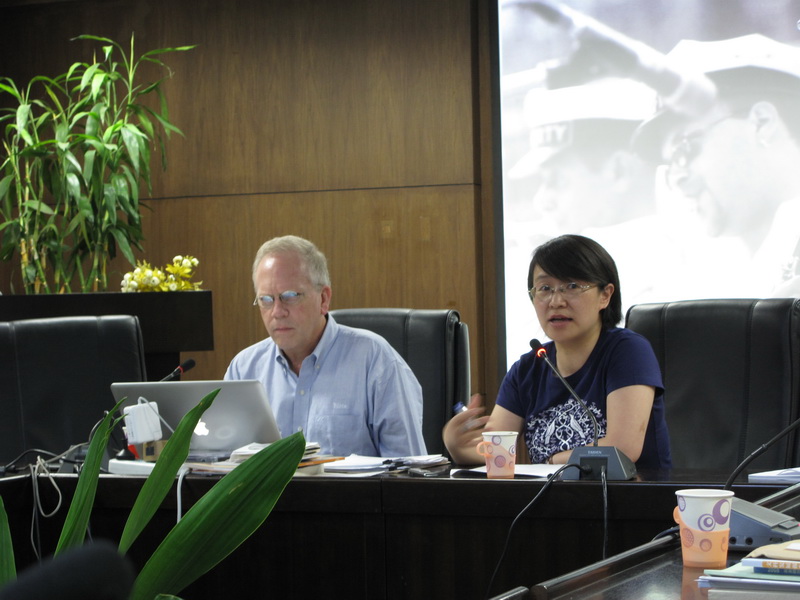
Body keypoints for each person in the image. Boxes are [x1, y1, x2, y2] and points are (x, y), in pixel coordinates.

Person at [444, 234, 671, 469]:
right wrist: (456, 445)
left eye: (572, 286)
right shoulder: (527, 369)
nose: (556, 301)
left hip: (628, 491)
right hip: (550, 493)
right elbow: (497, 453)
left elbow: (622, 449)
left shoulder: (628, 351)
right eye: (545, 288)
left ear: (605, 295)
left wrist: (550, 463)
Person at [225, 235, 426, 457]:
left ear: (323, 299)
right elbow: (223, 462)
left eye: (290, 296)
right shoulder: (244, 369)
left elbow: (409, 467)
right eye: (266, 300)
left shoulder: (375, 361)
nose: (277, 312)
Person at [634, 34, 800, 296]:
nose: (677, 178)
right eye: (669, 164)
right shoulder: (717, 277)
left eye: (684, 149)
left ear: (762, 123)